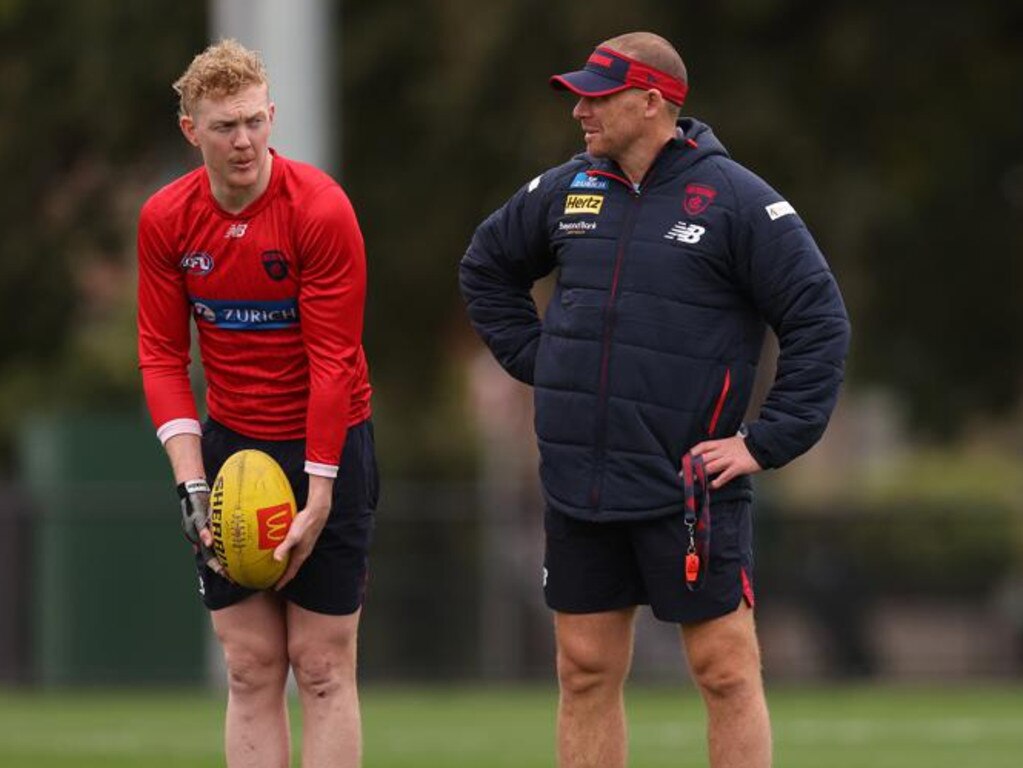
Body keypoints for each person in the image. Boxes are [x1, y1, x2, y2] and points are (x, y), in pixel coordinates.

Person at [460, 31, 850, 768]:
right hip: (579, 478)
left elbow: (818, 321)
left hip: (689, 485)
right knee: (582, 672)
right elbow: (486, 268)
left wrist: (765, 442)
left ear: (652, 100)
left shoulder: (737, 200)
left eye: (597, 95)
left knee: (724, 673)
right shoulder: (566, 189)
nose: (580, 109)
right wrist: (544, 362)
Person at [137, 39, 377, 768]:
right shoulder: (166, 219)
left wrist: (320, 491)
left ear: (271, 115)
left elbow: (332, 360)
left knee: (323, 666)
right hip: (229, 449)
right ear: (191, 131)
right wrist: (191, 480)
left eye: (252, 121)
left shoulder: (320, 210)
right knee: (249, 666)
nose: (242, 141)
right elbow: (161, 354)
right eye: (222, 126)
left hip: (327, 445)